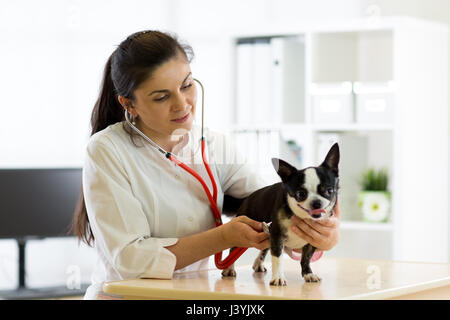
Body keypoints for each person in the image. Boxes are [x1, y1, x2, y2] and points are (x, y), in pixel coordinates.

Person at [72, 30, 340, 300]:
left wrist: (317, 237)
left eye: (186, 85)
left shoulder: (212, 144)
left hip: (197, 298)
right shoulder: (107, 150)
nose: (182, 104)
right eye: (161, 97)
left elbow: (271, 208)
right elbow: (129, 258)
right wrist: (224, 237)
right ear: (128, 103)